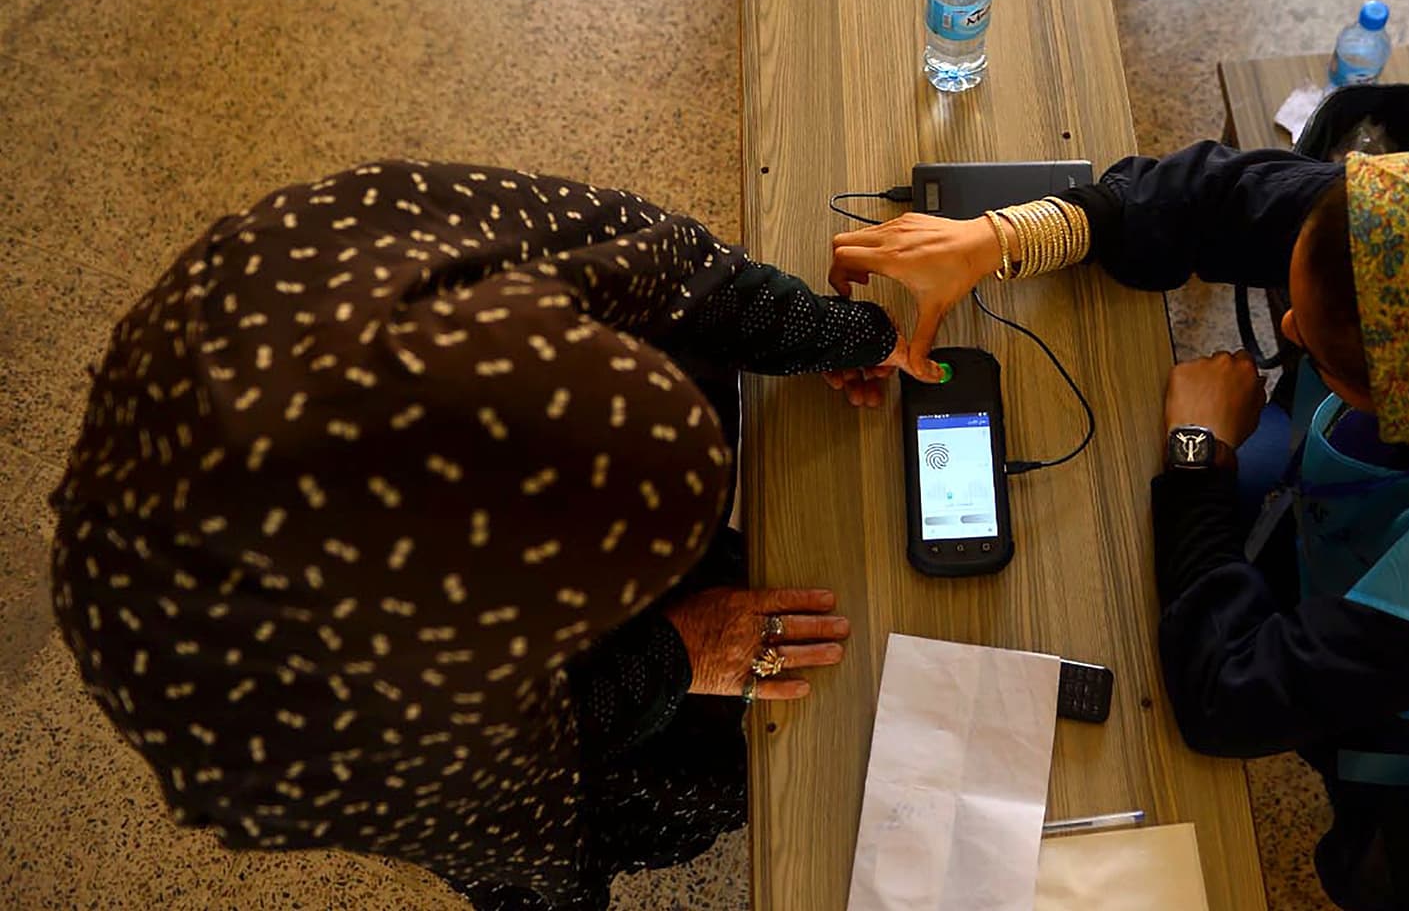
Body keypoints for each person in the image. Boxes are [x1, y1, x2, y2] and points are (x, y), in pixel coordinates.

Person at [828, 137, 1409, 910]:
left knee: (1400, 854)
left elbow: (1226, 701)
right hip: (1397, 523)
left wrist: (1196, 455)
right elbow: (1219, 197)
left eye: (1318, 351)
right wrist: (1003, 236)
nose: (1284, 325)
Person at [49, 159, 907, 909]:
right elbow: (527, 820)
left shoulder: (397, 255)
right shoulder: (351, 719)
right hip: (227, 648)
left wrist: (824, 332)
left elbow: (662, 267)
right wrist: (680, 651)